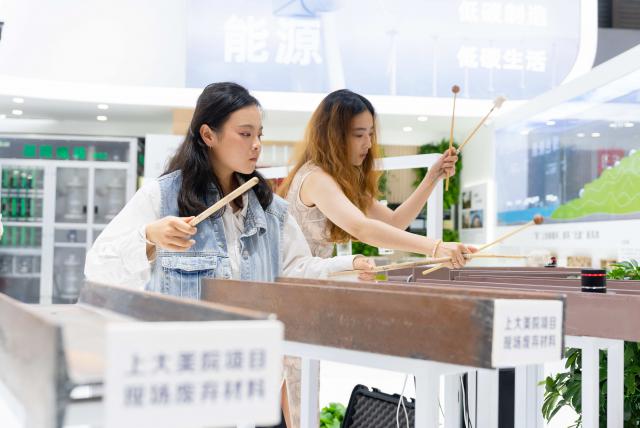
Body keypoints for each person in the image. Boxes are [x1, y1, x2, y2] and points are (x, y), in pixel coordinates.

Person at [85, 82, 374, 428]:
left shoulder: (270, 209)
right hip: (186, 388)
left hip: (253, 380)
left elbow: (294, 269)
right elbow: (99, 266)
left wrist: (348, 266)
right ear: (208, 134)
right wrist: (148, 237)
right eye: (245, 133)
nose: (256, 144)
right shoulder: (161, 198)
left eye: (259, 134)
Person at [278, 89, 476, 267]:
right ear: (333, 137)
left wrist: (432, 177)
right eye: (359, 135)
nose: (368, 143)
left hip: (309, 279)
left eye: (370, 134)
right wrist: (436, 247)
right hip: (295, 282)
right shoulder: (316, 178)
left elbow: (394, 222)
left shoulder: (338, 180)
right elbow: (361, 228)